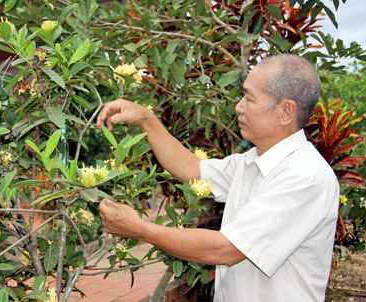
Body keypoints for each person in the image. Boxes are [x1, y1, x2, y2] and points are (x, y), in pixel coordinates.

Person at [96, 54, 339, 301]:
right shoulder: (252, 160)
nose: (239, 107)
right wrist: (146, 119)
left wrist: (139, 229)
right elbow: (192, 169)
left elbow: (226, 249)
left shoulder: (305, 177)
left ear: (286, 111)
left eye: (249, 98)